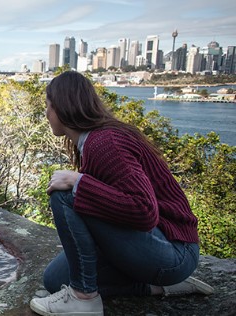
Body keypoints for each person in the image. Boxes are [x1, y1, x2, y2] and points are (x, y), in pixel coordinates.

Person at [29, 71, 213, 316]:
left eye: (47, 106)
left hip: (174, 251)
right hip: (154, 249)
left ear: (62, 107)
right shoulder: (93, 142)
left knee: (64, 196)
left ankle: (84, 299)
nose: (46, 114)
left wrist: (79, 182)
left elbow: (144, 211)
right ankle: (157, 287)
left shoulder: (106, 143)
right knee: (55, 279)